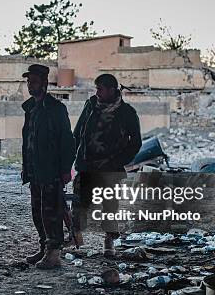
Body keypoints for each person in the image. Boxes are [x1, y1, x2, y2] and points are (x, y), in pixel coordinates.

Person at [72, 73, 142, 257]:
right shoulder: (90, 106)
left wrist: (118, 161)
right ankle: (75, 238)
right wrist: (71, 160)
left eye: (100, 89)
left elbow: (135, 143)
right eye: (96, 88)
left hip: (111, 168)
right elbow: (78, 133)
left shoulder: (127, 113)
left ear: (112, 90)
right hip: (87, 165)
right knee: (80, 203)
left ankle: (108, 240)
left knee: (110, 207)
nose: (97, 92)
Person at [21, 64, 75, 269]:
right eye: (28, 81)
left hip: (51, 171)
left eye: (33, 81)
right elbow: (29, 141)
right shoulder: (31, 108)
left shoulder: (56, 109)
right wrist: (26, 167)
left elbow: (67, 142)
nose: (30, 85)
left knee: (51, 212)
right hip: (35, 171)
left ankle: (54, 253)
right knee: (37, 212)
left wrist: (64, 170)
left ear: (44, 83)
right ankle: (45, 247)